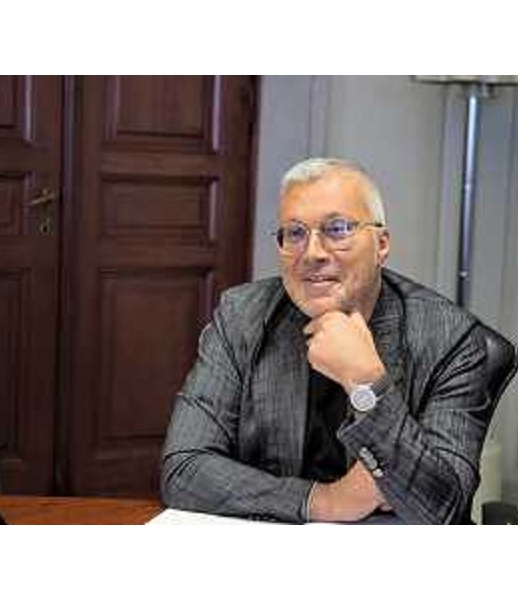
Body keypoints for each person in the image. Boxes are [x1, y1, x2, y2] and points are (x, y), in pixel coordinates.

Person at [161, 157, 493, 524]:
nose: (313, 253)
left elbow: (444, 509)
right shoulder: (243, 317)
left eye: (337, 229)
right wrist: (324, 501)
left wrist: (367, 384)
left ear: (381, 244)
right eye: (295, 233)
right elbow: (184, 468)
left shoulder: (451, 338)